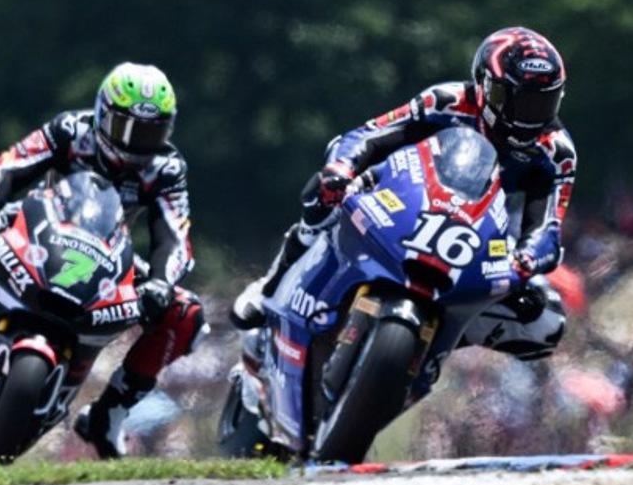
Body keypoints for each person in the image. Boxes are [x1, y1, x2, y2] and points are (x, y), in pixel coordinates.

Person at [0, 62, 206, 459]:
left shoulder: (167, 168)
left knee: (186, 313)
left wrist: (162, 281)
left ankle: (110, 413)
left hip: (108, 252)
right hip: (40, 226)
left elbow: (175, 237)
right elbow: (8, 164)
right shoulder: (71, 130)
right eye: (128, 129)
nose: (137, 144)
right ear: (104, 114)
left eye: (152, 132)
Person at [232, 26, 576, 375]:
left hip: (479, 237)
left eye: (542, 103)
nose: (528, 116)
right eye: (517, 100)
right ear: (485, 85)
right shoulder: (445, 101)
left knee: (545, 320)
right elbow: (369, 136)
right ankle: (271, 286)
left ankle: (428, 348)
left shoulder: (556, 152)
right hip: (405, 198)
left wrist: (527, 259)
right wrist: (342, 168)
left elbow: (548, 228)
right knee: (323, 194)